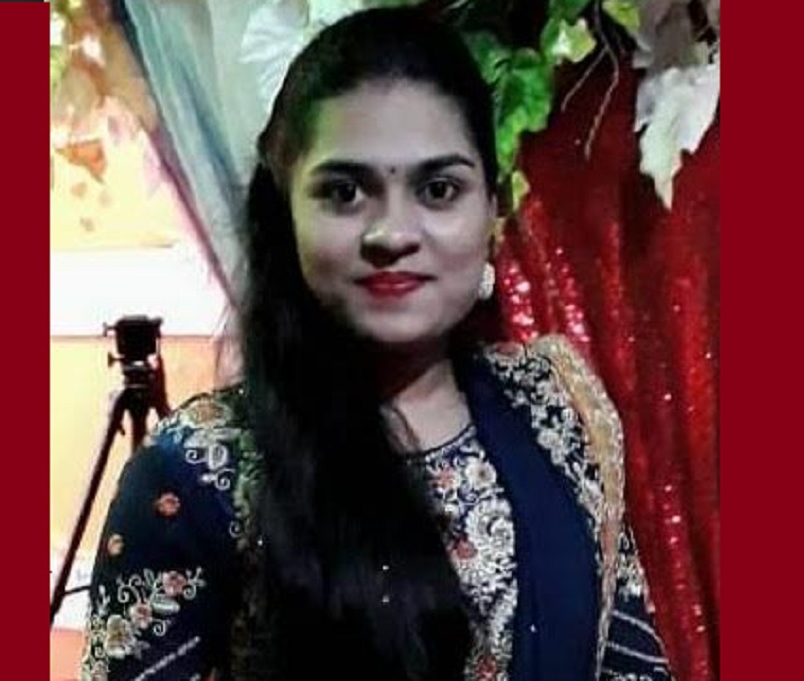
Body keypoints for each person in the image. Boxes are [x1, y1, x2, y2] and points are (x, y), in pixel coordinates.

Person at [80, 7, 672, 681]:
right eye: (344, 192)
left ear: (493, 208)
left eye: (439, 189)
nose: (392, 233)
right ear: (285, 209)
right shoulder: (202, 469)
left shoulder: (554, 407)